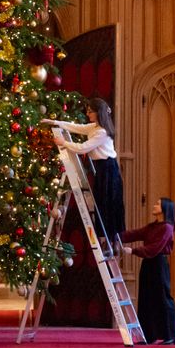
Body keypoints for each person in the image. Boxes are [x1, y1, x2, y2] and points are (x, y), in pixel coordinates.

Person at [52, 96, 125, 245]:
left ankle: (111, 241)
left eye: (91, 111)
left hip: (108, 170)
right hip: (103, 169)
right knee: (102, 203)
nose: (87, 114)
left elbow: (83, 148)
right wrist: (55, 123)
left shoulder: (102, 132)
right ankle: (109, 240)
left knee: (107, 204)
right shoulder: (94, 127)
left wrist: (63, 143)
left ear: (98, 113)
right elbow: (78, 127)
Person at [120, 197, 175, 345]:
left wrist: (133, 250)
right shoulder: (152, 226)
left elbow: (155, 248)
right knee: (146, 298)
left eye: (158, 204)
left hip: (159, 263)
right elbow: (135, 234)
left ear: (165, 208)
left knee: (163, 298)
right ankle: (149, 335)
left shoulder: (167, 227)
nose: (154, 205)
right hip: (148, 263)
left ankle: (170, 336)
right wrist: (116, 236)